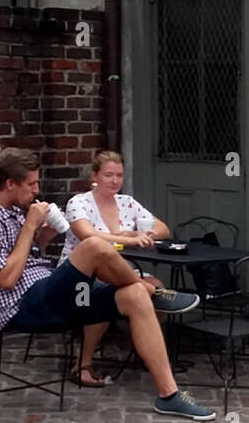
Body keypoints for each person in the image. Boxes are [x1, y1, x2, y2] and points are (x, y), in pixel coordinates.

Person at [0, 147, 215, 419]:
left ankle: (170, 395)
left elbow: (28, 259)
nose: (36, 190)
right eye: (31, 183)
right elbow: (8, 279)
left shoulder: (15, 209)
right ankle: (153, 289)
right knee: (94, 245)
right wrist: (30, 228)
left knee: (133, 297)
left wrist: (41, 239)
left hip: (52, 293)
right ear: (10, 184)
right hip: (23, 306)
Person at [61, 150, 172, 387]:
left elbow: (163, 228)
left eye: (119, 175)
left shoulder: (127, 203)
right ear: (95, 176)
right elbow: (87, 234)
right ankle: (83, 363)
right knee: (102, 295)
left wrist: (145, 233)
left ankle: (145, 351)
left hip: (124, 271)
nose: (114, 181)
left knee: (158, 288)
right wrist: (127, 239)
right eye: (108, 175)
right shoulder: (79, 202)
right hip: (81, 275)